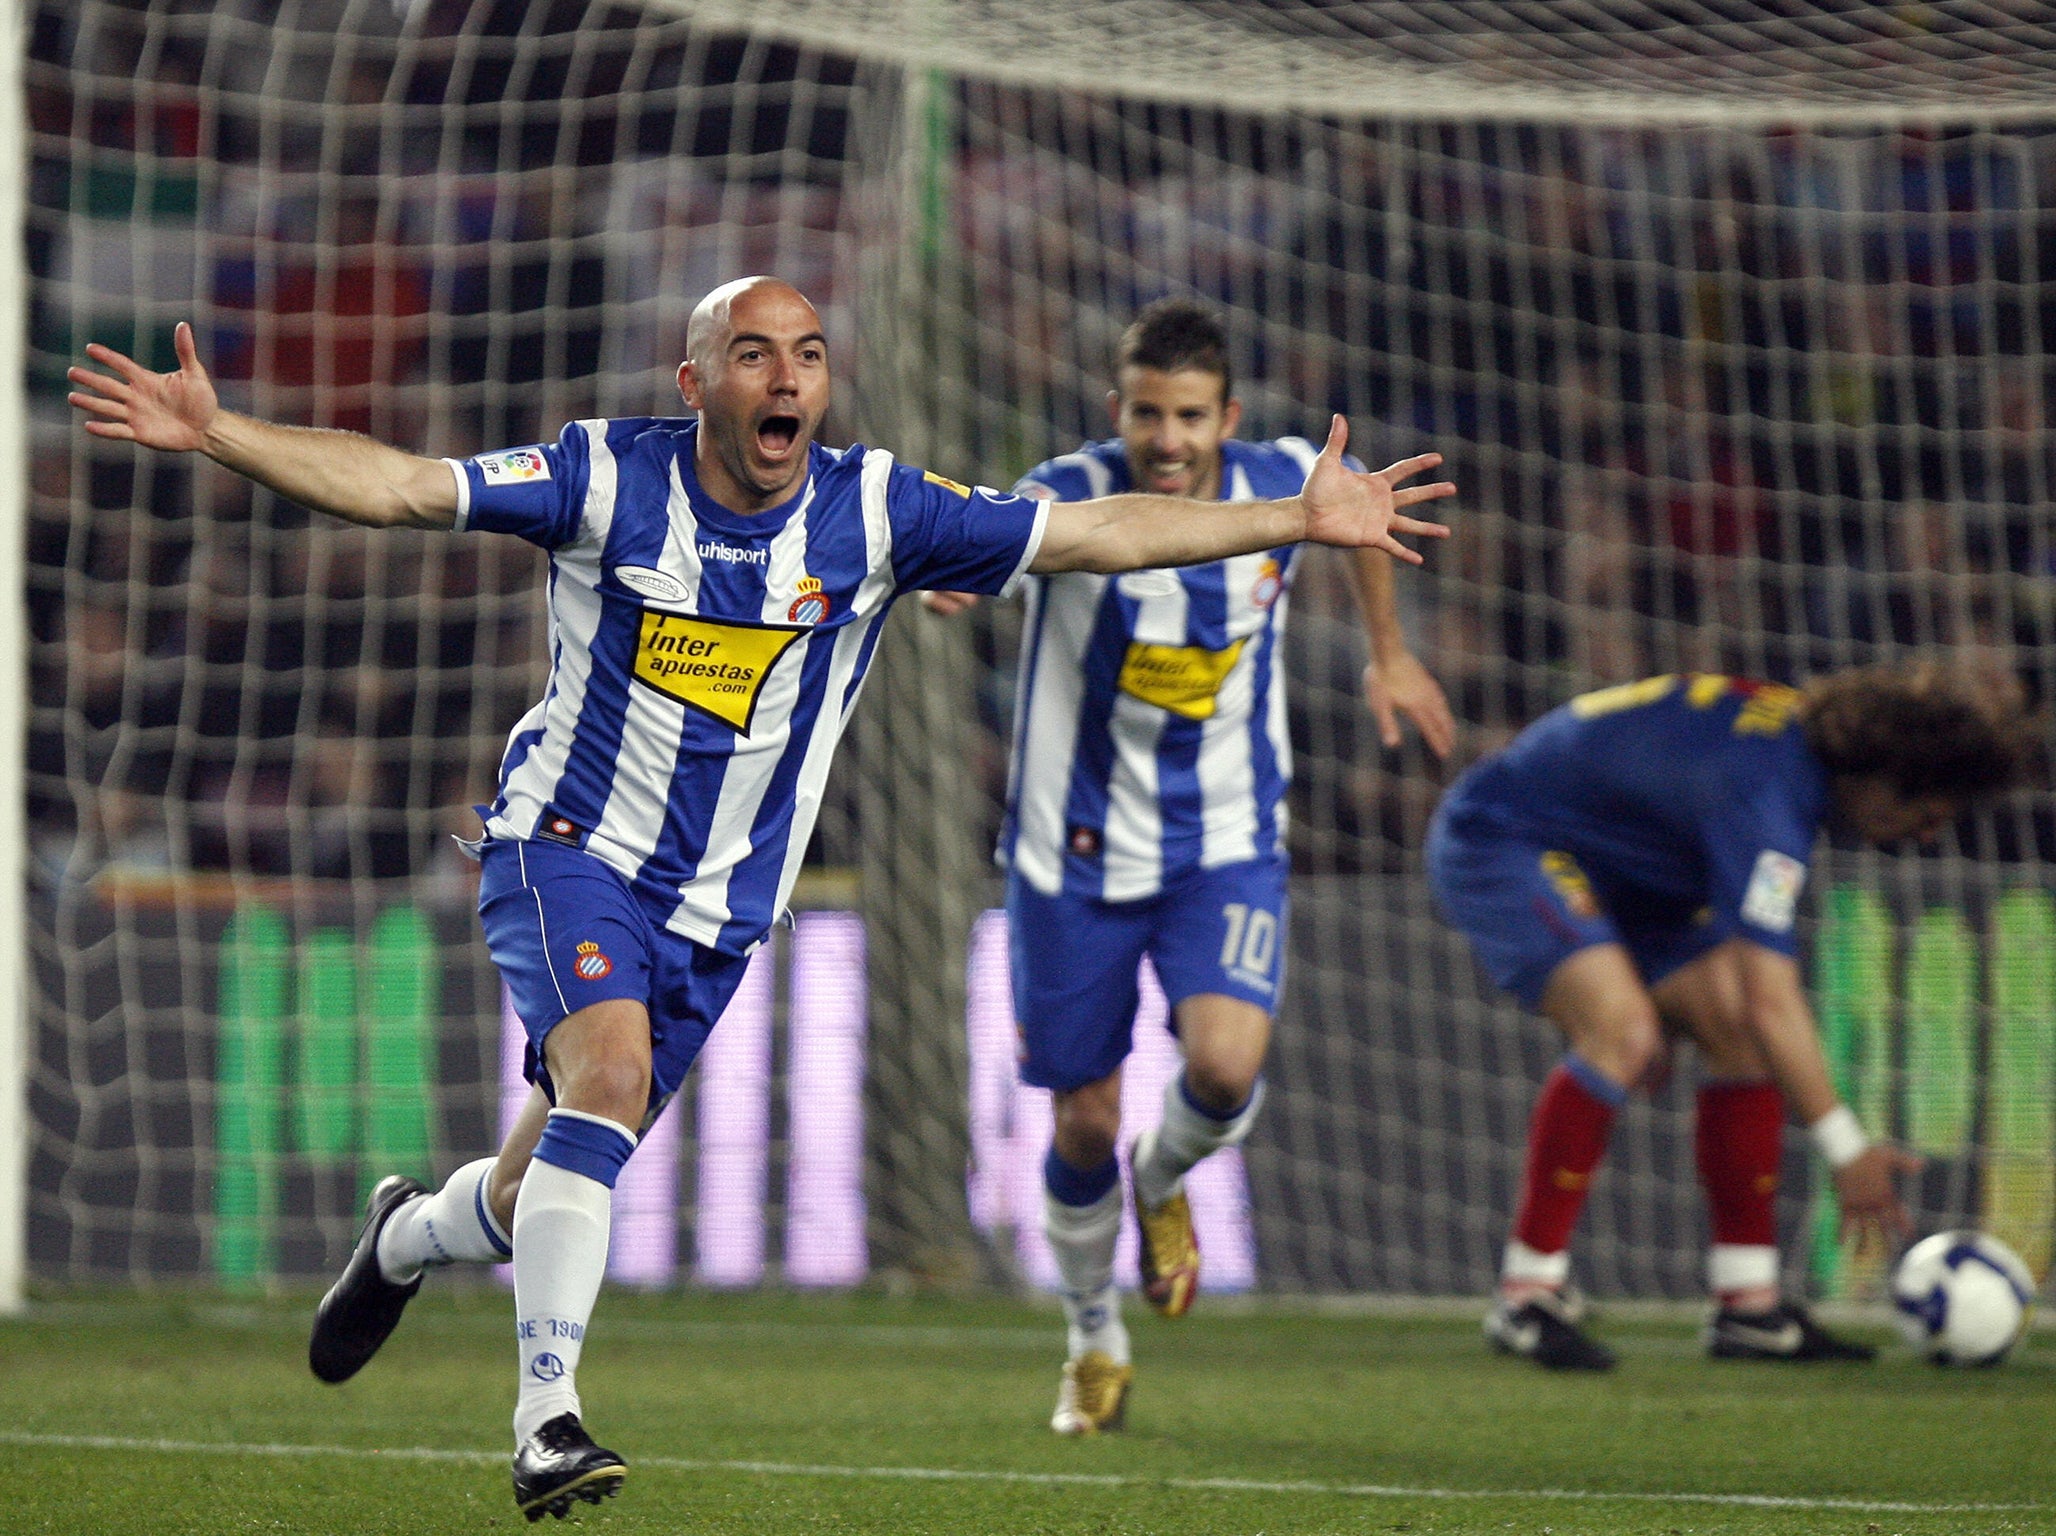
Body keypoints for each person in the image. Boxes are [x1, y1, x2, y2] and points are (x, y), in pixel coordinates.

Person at [68, 277, 1454, 1518]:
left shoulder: (877, 510)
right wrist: (223, 434)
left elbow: (1090, 531)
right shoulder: (605, 478)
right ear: (696, 385)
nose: (785, 377)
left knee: (530, 1182)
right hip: (566, 847)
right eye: (750, 354)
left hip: (722, 913)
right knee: (604, 1081)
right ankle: (546, 1423)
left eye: (804, 354)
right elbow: (402, 487)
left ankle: (409, 1234)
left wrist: (1292, 518)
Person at [927, 298, 1455, 1435]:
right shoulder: (1068, 488)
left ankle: (1161, 1185)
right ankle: (1088, 1339)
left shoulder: (1283, 479)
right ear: (1119, 410)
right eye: (1150, 415)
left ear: (1229, 415)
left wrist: (1390, 655)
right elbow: (996, 542)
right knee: (1079, 1123)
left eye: (1190, 416)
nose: (1168, 439)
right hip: (1069, 858)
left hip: (1224, 843)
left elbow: (1351, 514)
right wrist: (966, 576)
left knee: (1220, 1068)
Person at [1425, 665, 2036, 1370]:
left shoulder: (1786, 754)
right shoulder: (1772, 793)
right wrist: (1847, 1150)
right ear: (1883, 777)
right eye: (1927, 813)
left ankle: (1748, 1307)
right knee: (1625, 1031)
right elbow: (1771, 996)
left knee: (1738, 1037)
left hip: (1632, 871)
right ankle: (1527, 1296)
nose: (1926, 836)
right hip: (1507, 839)